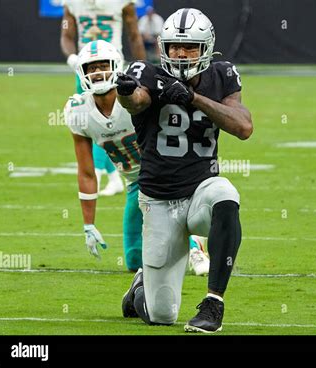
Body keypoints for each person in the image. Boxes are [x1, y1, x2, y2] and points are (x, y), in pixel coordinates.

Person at [117, 8, 253, 333]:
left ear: (206, 48)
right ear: (163, 47)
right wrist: (124, 93)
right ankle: (142, 286)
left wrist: (195, 98)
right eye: (175, 46)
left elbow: (244, 126)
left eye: (189, 46)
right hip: (159, 201)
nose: (180, 53)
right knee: (162, 315)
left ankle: (213, 304)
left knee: (225, 195)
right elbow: (136, 100)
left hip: (199, 194)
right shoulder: (148, 74)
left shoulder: (221, 75)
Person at [64, 40, 210, 275]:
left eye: (103, 65)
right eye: (92, 67)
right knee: (134, 261)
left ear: (117, 66)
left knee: (166, 225)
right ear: (82, 72)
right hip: (135, 183)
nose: (98, 72)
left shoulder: (135, 97)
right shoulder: (77, 111)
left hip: (164, 171)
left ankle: (195, 243)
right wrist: (88, 224)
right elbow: (87, 172)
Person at [60, 0, 146, 196]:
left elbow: (134, 35)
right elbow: (66, 35)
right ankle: (111, 177)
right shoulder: (73, 3)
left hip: (113, 70)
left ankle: (100, 173)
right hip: (86, 70)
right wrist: (72, 58)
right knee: (92, 121)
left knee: (114, 123)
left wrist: (142, 70)